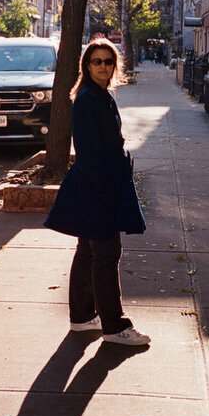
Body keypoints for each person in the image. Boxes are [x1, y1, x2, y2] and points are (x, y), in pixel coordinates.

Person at [44, 38, 150, 346]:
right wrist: (106, 191)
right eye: (97, 62)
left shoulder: (99, 95)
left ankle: (81, 317)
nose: (103, 67)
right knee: (106, 256)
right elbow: (88, 152)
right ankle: (114, 327)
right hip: (98, 189)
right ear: (87, 66)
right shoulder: (89, 98)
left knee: (88, 253)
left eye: (107, 61)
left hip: (97, 187)